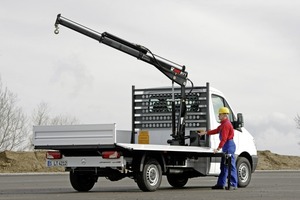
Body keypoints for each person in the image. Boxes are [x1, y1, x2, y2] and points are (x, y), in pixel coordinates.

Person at [198, 107, 238, 190]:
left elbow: (224, 138)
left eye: (219, 114)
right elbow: (216, 130)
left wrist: (218, 148)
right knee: (224, 166)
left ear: (224, 115)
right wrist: (205, 132)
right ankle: (221, 184)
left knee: (230, 166)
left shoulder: (226, 125)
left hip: (229, 146)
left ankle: (233, 184)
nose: (218, 116)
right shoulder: (223, 124)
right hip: (227, 146)